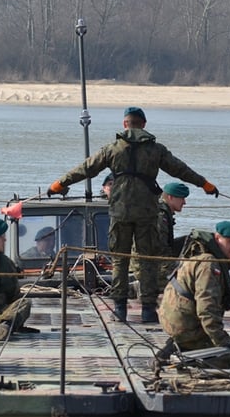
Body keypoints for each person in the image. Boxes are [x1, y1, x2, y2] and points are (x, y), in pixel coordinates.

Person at [47, 106, 219, 323]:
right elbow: (180, 169)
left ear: (125, 124)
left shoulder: (112, 149)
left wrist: (58, 184)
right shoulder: (156, 150)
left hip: (120, 212)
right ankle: (148, 309)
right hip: (148, 214)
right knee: (147, 260)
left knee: (120, 260)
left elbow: (86, 168)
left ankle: (120, 309)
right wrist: (204, 184)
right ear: (144, 125)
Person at [155, 221, 230, 373]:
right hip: (185, 324)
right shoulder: (209, 264)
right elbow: (207, 312)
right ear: (218, 238)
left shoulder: (201, 254)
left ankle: (177, 346)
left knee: (225, 352)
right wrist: (225, 343)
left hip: (175, 319)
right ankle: (182, 356)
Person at [132, 182, 191, 291]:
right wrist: (178, 268)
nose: (184, 202)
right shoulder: (159, 215)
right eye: (182, 198)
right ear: (170, 197)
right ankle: (140, 286)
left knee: (191, 239)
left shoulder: (162, 211)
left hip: (153, 261)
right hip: (148, 266)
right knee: (186, 286)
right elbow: (159, 250)